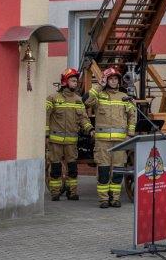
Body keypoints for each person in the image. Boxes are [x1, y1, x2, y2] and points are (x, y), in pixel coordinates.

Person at [87, 67, 136, 208]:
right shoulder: (99, 95)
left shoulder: (124, 97)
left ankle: (115, 198)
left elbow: (132, 116)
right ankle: (103, 199)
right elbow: (87, 101)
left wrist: (130, 134)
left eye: (116, 79)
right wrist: (98, 86)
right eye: (111, 79)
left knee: (117, 171)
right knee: (103, 171)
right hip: (102, 142)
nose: (114, 81)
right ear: (106, 80)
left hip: (120, 142)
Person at [45, 67, 93, 201]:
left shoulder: (78, 100)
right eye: (72, 80)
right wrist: (46, 135)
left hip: (71, 142)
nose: (75, 83)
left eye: (76, 81)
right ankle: (55, 193)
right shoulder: (52, 98)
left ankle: (72, 193)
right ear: (65, 82)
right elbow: (45, 117)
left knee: (72, 169)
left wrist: (90, 129)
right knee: (55, 168)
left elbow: (83, 118)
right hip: (55, 141)